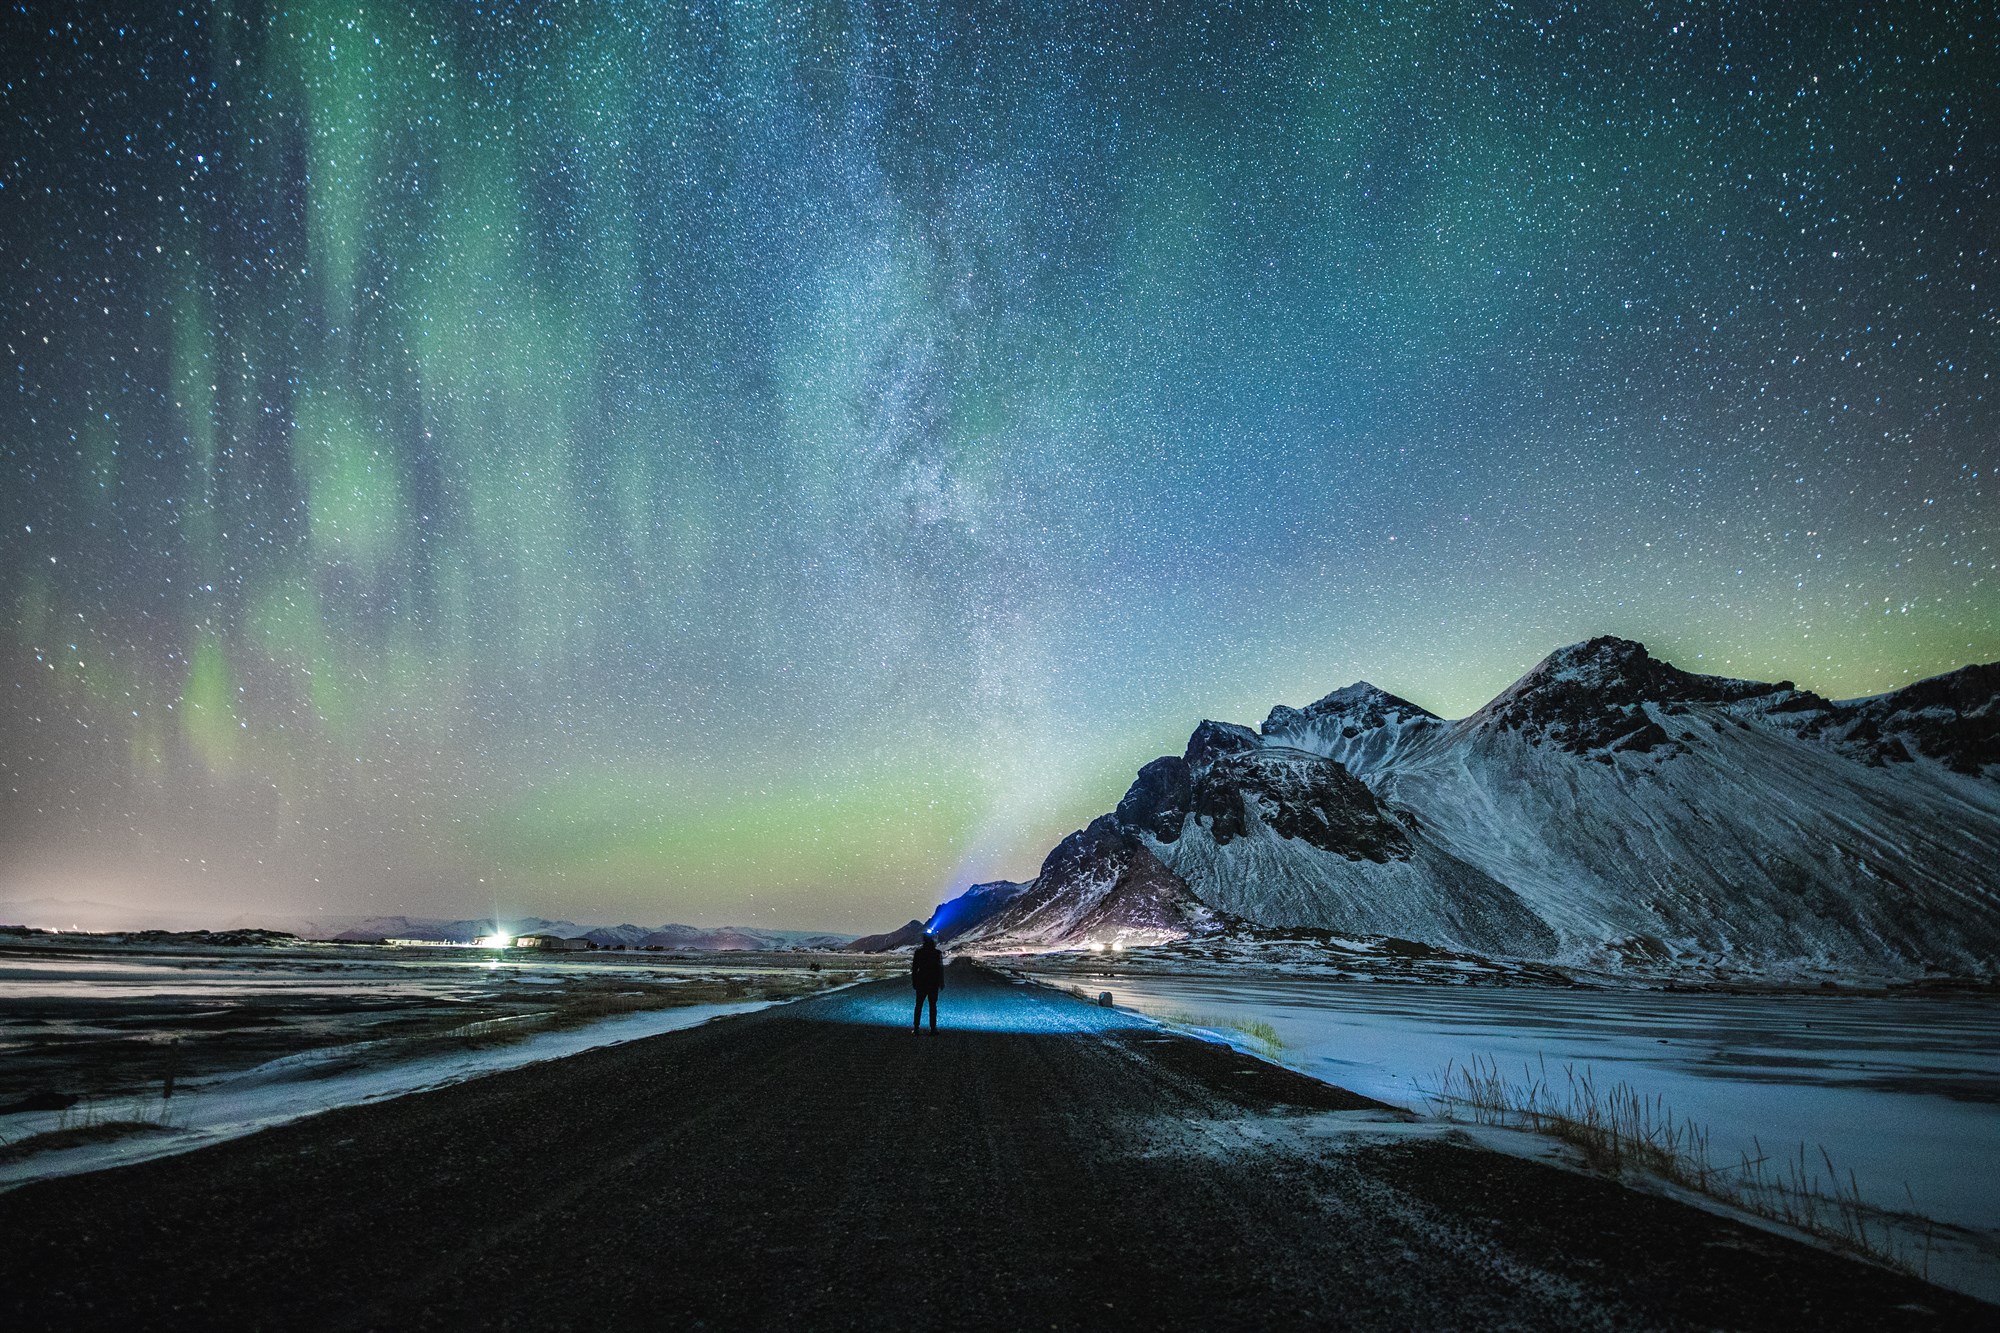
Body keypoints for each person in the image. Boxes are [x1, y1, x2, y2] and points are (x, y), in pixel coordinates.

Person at [911, 933, 944, 1032]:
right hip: (933, 982)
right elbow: (940, 969)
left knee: (918, 1005)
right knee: (932, 1006)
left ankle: (916, 1028)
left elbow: (914, 969)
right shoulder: (937, 953)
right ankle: (933, 1028)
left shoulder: (918, 952)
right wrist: (941, 982)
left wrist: (914, 981)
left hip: (921, 982)